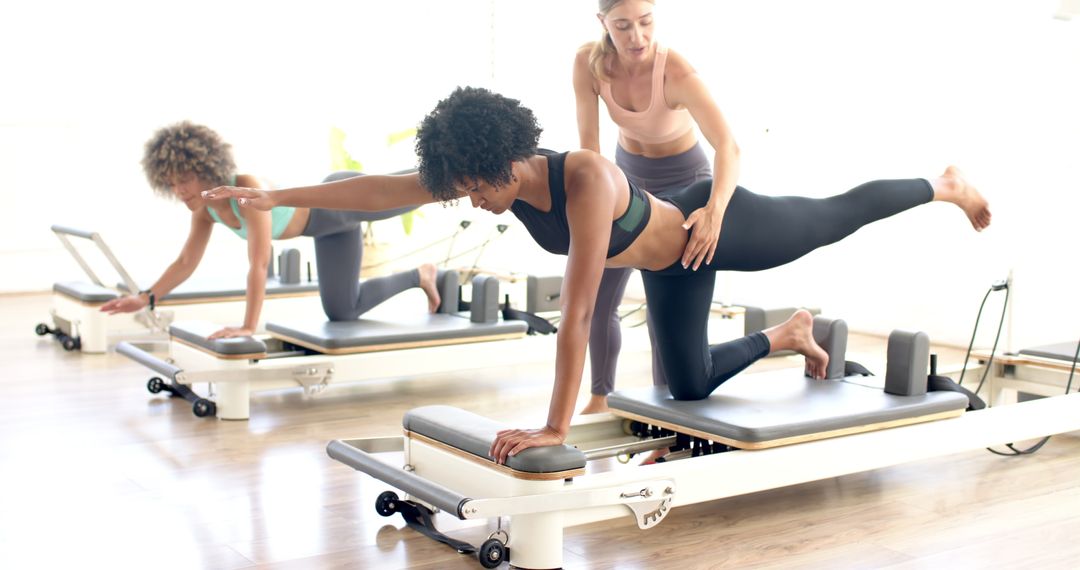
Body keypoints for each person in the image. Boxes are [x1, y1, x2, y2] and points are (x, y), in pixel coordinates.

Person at [203, 87, 991, 464]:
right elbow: (378, 190)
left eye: (479, 188)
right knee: (687, 390)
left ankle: (943, 186)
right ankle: (788, 333)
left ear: (508, 160)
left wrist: (556, 425)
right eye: (466, 189)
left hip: (715, 228)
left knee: (830, 216)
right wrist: (278, 194)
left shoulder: (582, 182)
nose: (473, 202)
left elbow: (579, 316)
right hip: (673, 270)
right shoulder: (483, 174)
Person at [100, 121, 441, 339]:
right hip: (328, 232)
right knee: (343, 311)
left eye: (185, 180)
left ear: (206, 168)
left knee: (426, 186)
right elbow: (186, 261)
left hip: (340, 202)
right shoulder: (206, 212)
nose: (180, 191)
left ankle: (456, 163)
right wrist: (146, 297)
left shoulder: (246, 187)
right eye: (172, 184)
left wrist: (249, 327)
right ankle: (420, 276)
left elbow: (259, 263)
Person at [574, 0, 740, 413]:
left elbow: (728, 146)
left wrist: (715, 209)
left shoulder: (676, 72)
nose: (638, 37)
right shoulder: (588, 64)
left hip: (685, 187)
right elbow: (589, 151)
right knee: (596, 290)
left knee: (663, 311)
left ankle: (666, 408)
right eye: (623, 26)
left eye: (646, 23)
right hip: (627, 182)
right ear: (603, 23)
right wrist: (591, 209)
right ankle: (600, 396)